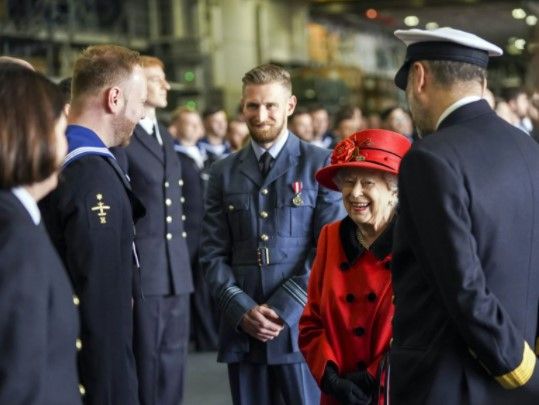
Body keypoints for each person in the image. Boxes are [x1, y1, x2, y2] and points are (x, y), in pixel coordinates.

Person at [391, 26, 539, 404]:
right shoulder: (528, 148)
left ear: (419, 77)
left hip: (451, 380)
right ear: (481, 80)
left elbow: (463, 286)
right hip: (518, 377)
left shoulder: (429, 158)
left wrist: (515, 366)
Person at [200, 63, 345, 405]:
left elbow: (330, 248)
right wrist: (240, 309)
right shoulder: (222, 172)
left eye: (271, 105)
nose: (260, 114)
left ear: (290, 106)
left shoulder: (320, 164)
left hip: (300, 330)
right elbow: (212, 252)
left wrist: (282, 310)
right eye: (252, 105)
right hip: (244, 332)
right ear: (243, 106)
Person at [40, 44, 146, 405]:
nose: (141, 115)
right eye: (139, 103)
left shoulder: (58, 158)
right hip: (95, 373)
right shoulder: (91, 173)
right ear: (114, 98)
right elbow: (100, 297)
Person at [299, 129, 411, 405]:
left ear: (393, 188)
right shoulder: (330, 236)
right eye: (348, 181)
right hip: (338, 393)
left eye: (367, 182)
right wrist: (329, 377)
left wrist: (375, 375)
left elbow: (423, 327)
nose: (354, 192)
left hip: (393, 387)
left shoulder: (415, 242)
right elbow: (311, 321)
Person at [0, 62, 81, 405]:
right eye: (62, 133)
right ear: (32, 136)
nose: (65, 148)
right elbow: (17, 383)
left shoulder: (17, 218)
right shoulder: (13, 235)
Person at [114, 55, 193, 405]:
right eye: (155, 79)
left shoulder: (163, 135)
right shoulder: (124, 136)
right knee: (147, 360)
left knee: (174, 361)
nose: (166, 85)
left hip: (176, 268)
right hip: (146, 268)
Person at [170, 106, 220, 351]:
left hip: (207, 231)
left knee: (205, 286)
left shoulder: (204, 155)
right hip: (186, 231)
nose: (193, 128)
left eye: (195, 123)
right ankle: (191, 335)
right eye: (187, 123)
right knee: (188, 286)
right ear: (176, 128)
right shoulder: (173, 156)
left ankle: (208, 336)